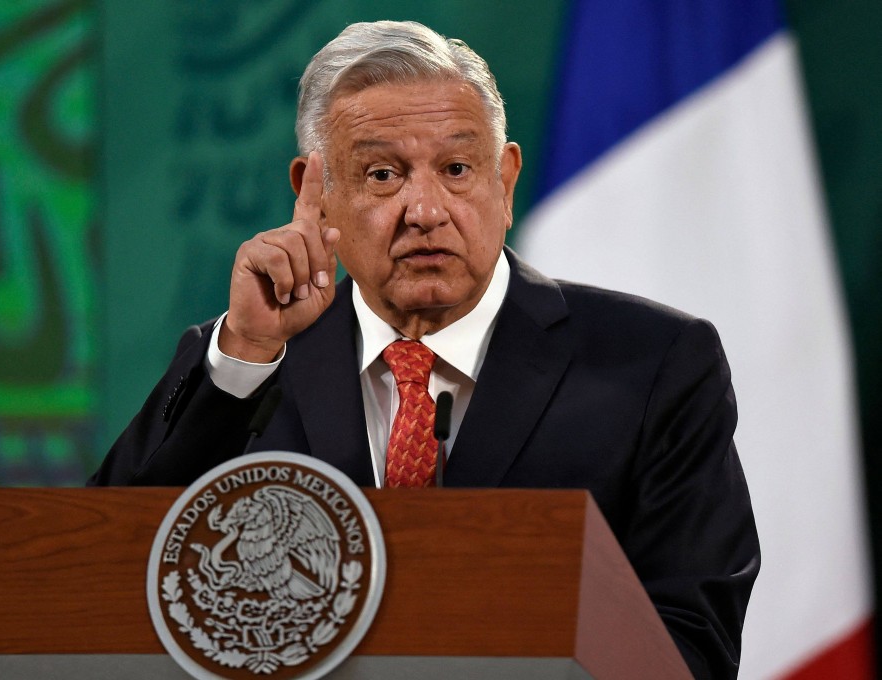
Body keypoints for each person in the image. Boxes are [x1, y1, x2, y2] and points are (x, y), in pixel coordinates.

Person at [89, 20, 759, 679]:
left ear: (505, 181)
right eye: (383, 174)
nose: (425, 210)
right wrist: (247, 352)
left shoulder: (654, 364)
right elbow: (98, 576)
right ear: (315, 195)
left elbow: (691, 644)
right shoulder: (249, 359)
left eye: (457, 169)